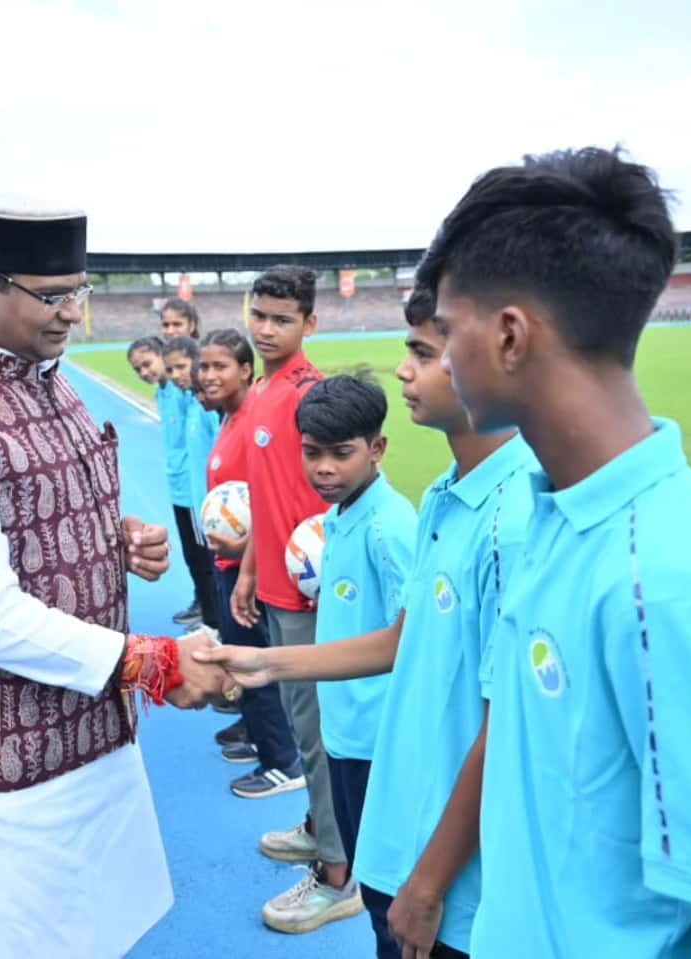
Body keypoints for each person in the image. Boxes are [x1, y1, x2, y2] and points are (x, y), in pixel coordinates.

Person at [418, 147, 691, 958]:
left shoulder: (665, 578)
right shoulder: (553, 517)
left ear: (507, 335)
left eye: (443, 330)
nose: (435, 357)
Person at [0, 196, 231, 958]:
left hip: (93, 736)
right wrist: (150, 660)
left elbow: (33, 513)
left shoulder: (52, 379)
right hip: (4, 767)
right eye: (53, 294)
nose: (74, 312)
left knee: (98, 934)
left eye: (80, 290)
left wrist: (116, 539)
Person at [200, 286, 536, 958]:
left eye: (419, 350)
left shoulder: (512, 518)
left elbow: (509, 724)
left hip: (448, 855)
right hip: (403, 814)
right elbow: (402, 641)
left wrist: (430, 878)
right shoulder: (447, 494)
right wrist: (261, 662)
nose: (403, 370)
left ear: (502, 346)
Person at [267, 373, 416, 938]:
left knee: (391, 898)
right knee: (369, 873)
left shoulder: (391, 527)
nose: (324, 468)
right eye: (312, 453)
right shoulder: (337, 518)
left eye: (341, 454)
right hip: (345, 729)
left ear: (377, 449)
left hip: (379, 739)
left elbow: (413, 641)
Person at [228, 266, 352, 929]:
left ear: (310, 323)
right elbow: (266, 496)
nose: (265, 327)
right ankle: (318, 826)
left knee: (319, 732)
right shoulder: (260, 390)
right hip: (272, 589)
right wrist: (249, 569)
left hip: (309, 601)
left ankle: (338, 874)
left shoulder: (310, 394)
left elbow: (337, 501)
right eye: (259, 314)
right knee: (304, 729)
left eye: (281, 318)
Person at [197, 328, 303, 796]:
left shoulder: (255, 419)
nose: (208, 375)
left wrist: (247, 562)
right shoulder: (228, 419)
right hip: (228, 566)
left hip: (246, 569)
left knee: (258, 667)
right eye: (205, 367)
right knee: (244, 665)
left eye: (220, 366)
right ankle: (261, 740)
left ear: (246, 371)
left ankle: (284, 762)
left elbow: (269, 495)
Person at [163, 334, 222, 634]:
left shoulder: (208, 406)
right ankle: (214, 624)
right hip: (197, 500)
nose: (176, 375)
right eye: (170, 370)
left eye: (181, 367)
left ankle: (216, 626)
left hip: (213, 504)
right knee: (205, 566)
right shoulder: (190, 401)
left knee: (217, 571)